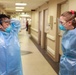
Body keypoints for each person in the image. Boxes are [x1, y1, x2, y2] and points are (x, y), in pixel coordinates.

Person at [58, 10, 76, 75]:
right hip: (65, 63)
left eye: (61, 22)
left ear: (69, 23)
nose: (60, 25)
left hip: (73, 65)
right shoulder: (66, 32)